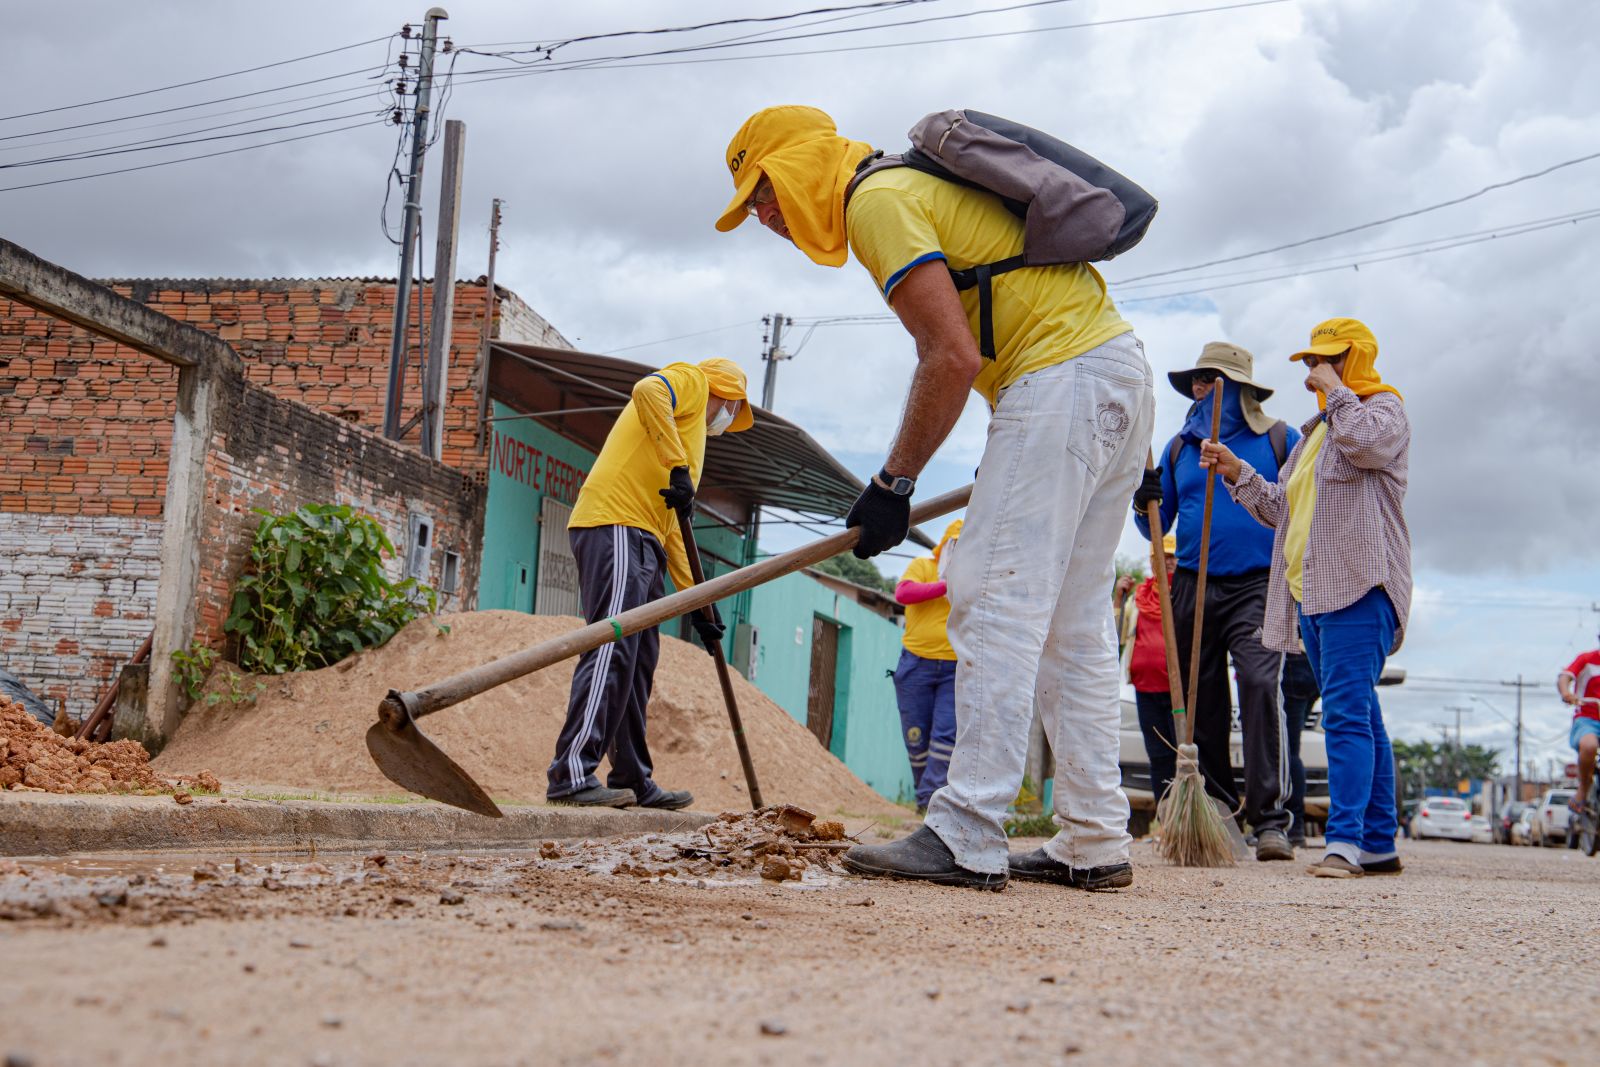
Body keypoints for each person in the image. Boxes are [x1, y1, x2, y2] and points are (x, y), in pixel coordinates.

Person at [716, 106, 1153, 891]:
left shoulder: (875, 201)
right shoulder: (904, 187)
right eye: (753, 207)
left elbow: (950, 355)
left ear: (805, 163)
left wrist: (891, 484)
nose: (766, 217)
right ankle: (1094, 837)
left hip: (1060, 379)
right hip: (1114, 374)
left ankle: (966, 830)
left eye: (765, 192)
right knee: (1071, 625)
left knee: (989, 600)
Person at [1198, 318, 1411, 878]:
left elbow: (1365, 446)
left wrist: (1338, 391)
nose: (1314, 372)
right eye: (1310, 362)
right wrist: (1237, 470)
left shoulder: (1382, 410)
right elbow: (1279, 511)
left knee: (1345, 717)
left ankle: (1343, 845)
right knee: (1363, 714)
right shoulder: (1316, 433)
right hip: (1308, 595)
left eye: (1328, 360)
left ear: (1356, 358)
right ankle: (1378, 841)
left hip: (1359, 587)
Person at [545, 358, 754, 808]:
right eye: (734, 409)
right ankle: (571, 774)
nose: (730, 419)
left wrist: (703, 606)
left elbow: (676, 530)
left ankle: (632, 777)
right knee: (611, 646)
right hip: (616, 523)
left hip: (646, 538)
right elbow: (647, 390)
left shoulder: (693, 439)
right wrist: (676, 464)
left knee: (637, 662)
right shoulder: (694, 383)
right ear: (728, 394)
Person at [1133, 342, 1300, 861]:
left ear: (1242, 389)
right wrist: (1144, 501)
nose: (1201, 390)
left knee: (1256, 682)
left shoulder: (1277, 439)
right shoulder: (1180, 448)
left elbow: (1297, 507)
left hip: (1256, 584)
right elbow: (1153, 525)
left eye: (1211, 380)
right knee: (1202, 699)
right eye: (1197, 382)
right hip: (1194, 583)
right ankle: (1222, 811)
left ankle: (1270, 817)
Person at [892, 519, 963, 813]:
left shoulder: (975, 577)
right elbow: (903, 593)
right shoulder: (923, 566)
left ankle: (929, 800)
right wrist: (945, 587)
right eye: (955, 544)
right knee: (916, 736)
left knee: (945, 736)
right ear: (944, 545)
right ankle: (925, 794)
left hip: (954, 667)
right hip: (915, 663)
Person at [1115, 533, 1180, 807]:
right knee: (1158, 757)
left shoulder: (1184, 595)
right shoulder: (1136, 600)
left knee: (1183, 757)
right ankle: (1165, 818)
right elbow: (1114, 638)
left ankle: (1184, 816)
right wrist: (1119, 598)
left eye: (1171, 557)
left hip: (1179, 693)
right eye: (1160, 557)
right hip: (1145, 689)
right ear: (1152, 561)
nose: (1166, 562)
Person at [1281, 650, 1321, 846]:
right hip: (1312, 661)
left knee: (1287, 751)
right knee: (1289, 749)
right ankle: (1293, 825)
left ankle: (1293, 826)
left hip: (1292, 660)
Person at [1557, 639, 1600, 814]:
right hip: (1587, 718)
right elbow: (1565, 676)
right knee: (1589, 746)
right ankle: (1583, 788)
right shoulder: (1587, 660)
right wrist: (1566, 692)